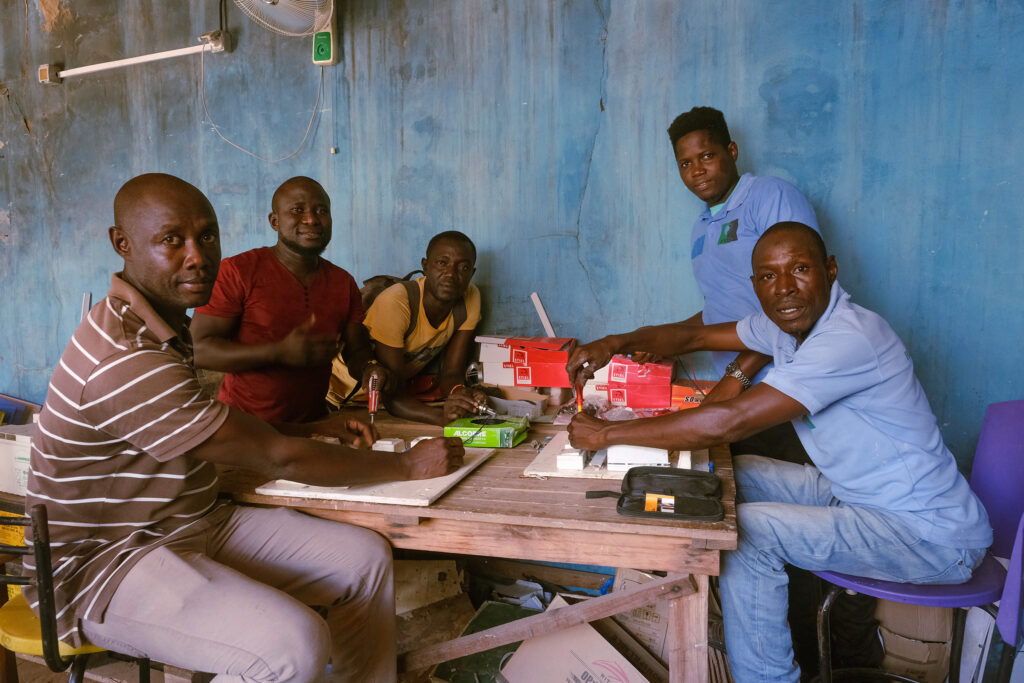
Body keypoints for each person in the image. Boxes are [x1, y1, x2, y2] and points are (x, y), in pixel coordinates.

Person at [24, 173, 465, 683]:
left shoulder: (161, 325)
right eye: (172, 240)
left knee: (364, 559)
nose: (197, 255)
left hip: (192, 520)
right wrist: (408, 463)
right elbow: (275, 458)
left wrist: (312, 429)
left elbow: (233, 429)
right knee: (292, 646)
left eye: (206, 236)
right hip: (109, 564)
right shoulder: (125, 355)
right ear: (121, 244)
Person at [566, 222, 991, 683]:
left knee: (747, 533)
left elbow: (731, 420)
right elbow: (694, 338)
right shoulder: (786, 329)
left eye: (800, 269)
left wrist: (607, 435)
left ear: (830, 271)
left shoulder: (849, 337)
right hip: (859, 500)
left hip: (928, 534)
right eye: (768, 277)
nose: (784, 288)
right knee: (732, 475)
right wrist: (615, 343)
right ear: (756, 285)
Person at [668, 106, 819, 463]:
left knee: (794, 500)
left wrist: (739, 374)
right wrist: (666, 341)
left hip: (781, 386)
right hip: (738, 394)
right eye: (686, 163)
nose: (697, 171)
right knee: (738, 495)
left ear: (731, 152)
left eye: (706, 155)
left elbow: (801, 301)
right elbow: (721, 307)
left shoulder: (769, 197)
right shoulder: (701, 227)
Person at [191, 176, 385, 424]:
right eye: (297, 210)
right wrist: (278, 353)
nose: (311, 219)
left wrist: (370, 368)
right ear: (274, 221)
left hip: (314, 425)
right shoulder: (237, 271)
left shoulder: (342, 282)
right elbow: (198, 350)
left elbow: (356, 349)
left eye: (321, 211)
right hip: (245, 427)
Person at [328, 230, 488, 426]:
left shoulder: (470, 298)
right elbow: (393, 395)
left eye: (463, 267)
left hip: (389, 405)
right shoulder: (398, 301)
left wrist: (460, 394)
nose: (451, 274)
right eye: (442, 263)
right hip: (342, 397)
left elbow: (452, 372)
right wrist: (443, 418)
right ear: (425, 266)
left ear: (472, 273)